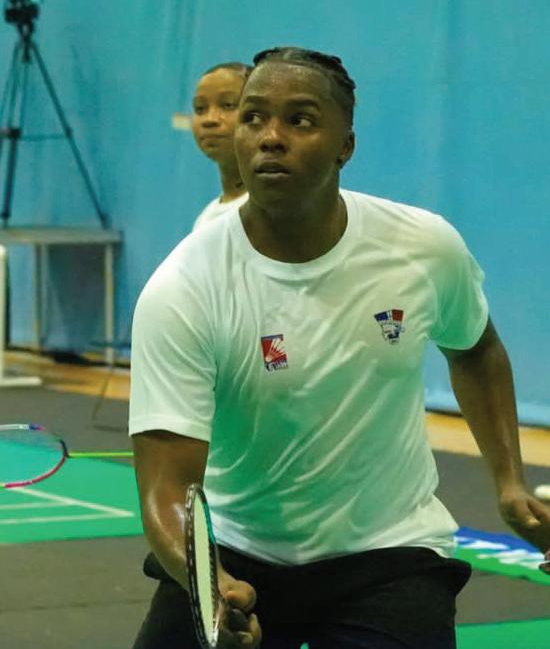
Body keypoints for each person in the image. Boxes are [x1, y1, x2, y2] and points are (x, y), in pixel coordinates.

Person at [129, 47, 550, 649]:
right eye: (253, 118)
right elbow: (167, 489)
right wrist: (209, 582)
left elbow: (475, 350)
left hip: (389, 551)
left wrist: (509, 482)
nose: (270, 137)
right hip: (238, 548)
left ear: (345, 146)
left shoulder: (422, 247)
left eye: (299, 120)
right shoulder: (183, 287)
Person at [190, 61, 252, 230]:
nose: (210, 119)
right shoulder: (206, 217)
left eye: (228, 105)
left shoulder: (272, 211)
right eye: (200, 108)